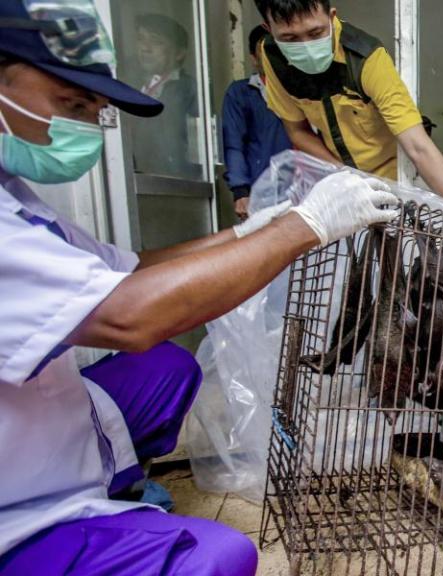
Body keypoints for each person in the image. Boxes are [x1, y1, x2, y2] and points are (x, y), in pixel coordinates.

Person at [0, 2, 399, 574]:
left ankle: (115, 486)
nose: (87, 124)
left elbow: (130, 268)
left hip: (43, 420)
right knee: (217, 557)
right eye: (71, 103)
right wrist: (302, 227)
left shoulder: (17, 197)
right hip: (14, 502)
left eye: (94, 108)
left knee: (169, 368)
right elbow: (127, 317)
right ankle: (78, 535)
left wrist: (245, 233)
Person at [254, 0, 443, 203]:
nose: (306, 46)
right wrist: (343, 175)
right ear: (269, 28)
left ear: (331, 16)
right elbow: (297, 131)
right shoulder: (272, 57)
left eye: (315, 33)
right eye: (290, 38)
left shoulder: (366, 58)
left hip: (398, 182)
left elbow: (418, 147)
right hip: (343, 182)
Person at [223, 27, 293, 220]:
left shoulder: (308, 92)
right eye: (266, 52)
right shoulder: (241, 93)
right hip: (260, 192)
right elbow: (233, 144)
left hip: (307, 189)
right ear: (254, 58)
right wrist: (240, 191)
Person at [131, 13, 201, 179]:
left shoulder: (188, 89)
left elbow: (197, 147)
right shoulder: (130, 83)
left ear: (179, 53)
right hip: (139, 181)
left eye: (156, 42)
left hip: (175, 183)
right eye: (141, 39)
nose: (145, 48)